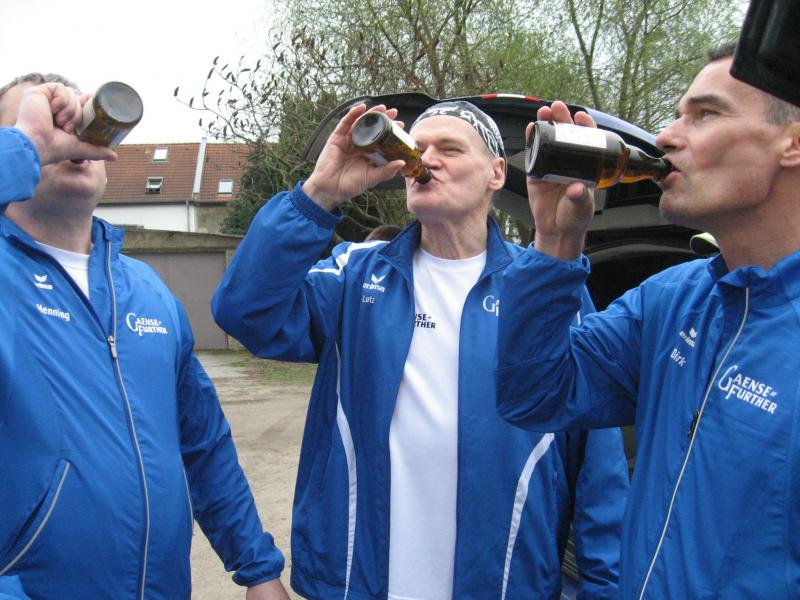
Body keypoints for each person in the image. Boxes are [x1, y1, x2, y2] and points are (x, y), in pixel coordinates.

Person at [212, 100, 629, 599]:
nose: (426, 160)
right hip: (360, 582)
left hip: (501, 585)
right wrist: (319, 192)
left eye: (449, 149)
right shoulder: (356, 273)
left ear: (496, 173)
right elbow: (245, 312)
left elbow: (598, 464)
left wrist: (606, 590)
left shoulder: (547, 286)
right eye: (418, 147)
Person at [495, 41, 800, 598]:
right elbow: (535, 395)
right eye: (677, 114)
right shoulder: (674, 300)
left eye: (705, 114)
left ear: (793, 143)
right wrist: (556, 240)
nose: (664, 138)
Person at [0, 75, 290, 599]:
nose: (67, 137)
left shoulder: (147, 291)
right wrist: (28, 144)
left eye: (77, 124)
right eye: (40, 125)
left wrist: (258, 567)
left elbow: (203, 444)